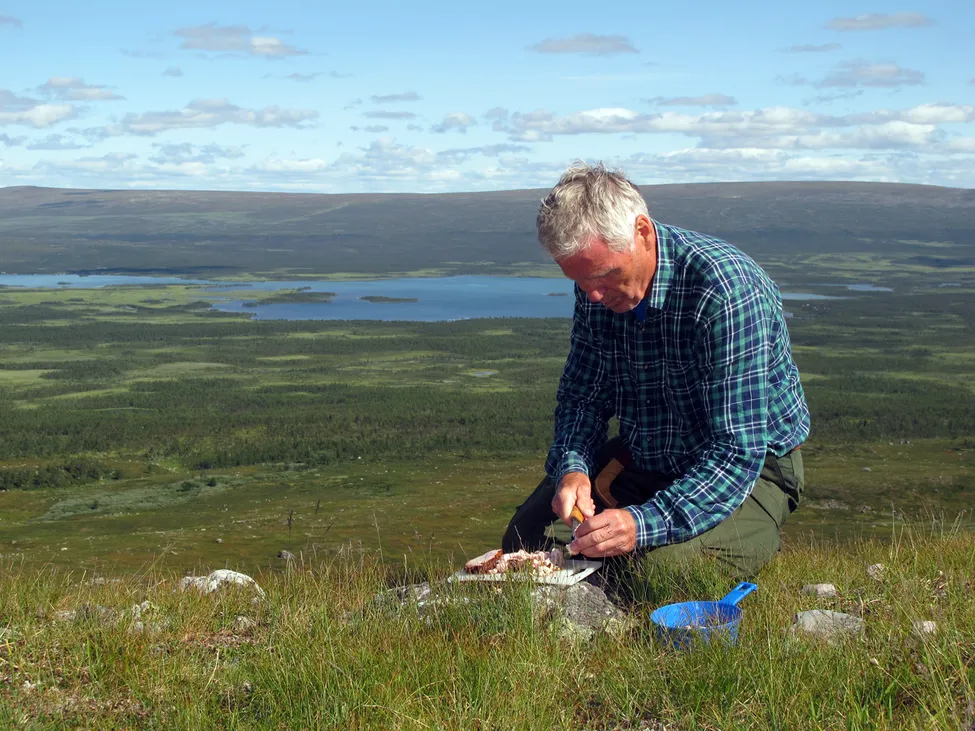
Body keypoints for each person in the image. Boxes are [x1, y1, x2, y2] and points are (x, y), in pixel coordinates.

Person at [501, 163, 810, 578]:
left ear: (641, 233)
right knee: (528, 542)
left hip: (751, 468)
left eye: (604, 276)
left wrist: (640, 524)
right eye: (580, 281)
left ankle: (752, 531)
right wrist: (573, 468)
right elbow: (583, 395)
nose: (593, 296)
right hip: (647, 453)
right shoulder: (598, 289)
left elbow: (736, 452)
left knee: (656, 572)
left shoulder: (725, 291)